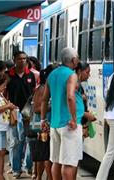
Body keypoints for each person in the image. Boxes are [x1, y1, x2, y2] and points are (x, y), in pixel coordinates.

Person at [41, 47, 84, 180]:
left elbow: (44, 99)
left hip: (55, 124)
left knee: (57, 161)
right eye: (77, 57)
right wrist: (73, 118)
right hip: (68, 124)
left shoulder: (52, 75)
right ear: (73, 59)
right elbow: (70, 97)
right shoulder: (72, 75)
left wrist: (43, 120)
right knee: (69, 163)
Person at [6, 51, 36, 178]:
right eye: (19, 59)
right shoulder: (8, 75)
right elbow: (3, 93)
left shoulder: (31, 75)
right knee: (15, 142)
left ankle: (28, 166)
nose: (22, 61)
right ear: (14, 60)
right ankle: (16, 169)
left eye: (24, 59)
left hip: (29, 112)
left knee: (30, 140)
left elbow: (34, 93)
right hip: (13, 112)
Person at [75, 62, 96, 138]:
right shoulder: (75, 85)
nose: (89, 75)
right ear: (80, 71)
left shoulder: (79, 86)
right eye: (87, 72)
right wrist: (86, 115)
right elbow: (71, 104)